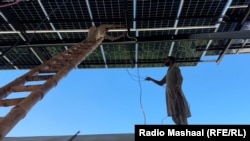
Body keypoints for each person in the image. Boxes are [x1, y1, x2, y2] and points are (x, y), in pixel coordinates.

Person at [145, 56, 191, 125]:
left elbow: (180, 78)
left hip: (175, 93)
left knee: (180, 111)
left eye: (166, 60)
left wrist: (178, 87)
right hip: (169, 95)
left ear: (171, 60)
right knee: (174, 114)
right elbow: (161, 83)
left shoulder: (175, 68)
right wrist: (151, 79)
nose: (165, 61)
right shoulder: (168, 72)